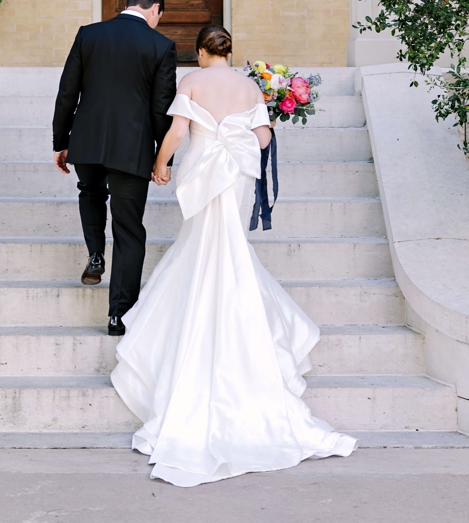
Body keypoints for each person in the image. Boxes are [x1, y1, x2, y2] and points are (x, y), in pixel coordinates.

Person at [110, 25, 357, 485]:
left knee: (202, 245)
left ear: (204, 52)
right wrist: (253, 130)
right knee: (230, 245)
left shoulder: (192, 82)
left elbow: (178, 132)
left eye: (199, 53)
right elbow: (262, 140)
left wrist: (160, 164)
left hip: (204, 171)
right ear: (230, 52)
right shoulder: (249, 85)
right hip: (238, 175)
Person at [51, 0, 177, 336]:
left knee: (90, 193)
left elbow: (67, 93)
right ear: (154, 10)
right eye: (159, 16)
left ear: (129, 4)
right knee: (128, 229)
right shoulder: (161, 46)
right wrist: (162, 156)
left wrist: (63, 142)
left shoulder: (89, 35)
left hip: (87, 142)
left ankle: (94, 254)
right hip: (131, 148)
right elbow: (160, 108)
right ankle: (118, 315)